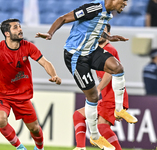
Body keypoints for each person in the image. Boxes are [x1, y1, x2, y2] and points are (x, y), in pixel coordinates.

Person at [35, 0, 138, 149]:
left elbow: (91, 29)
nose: (126, 4)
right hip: (75, 56)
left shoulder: (107, 13)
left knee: (117, 68)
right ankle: (95, 137)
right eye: (124, 0)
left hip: (90, 51)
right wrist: (50, 33)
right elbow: (63, 18)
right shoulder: (93, 8)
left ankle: (119, 109)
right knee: (93, 97)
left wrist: (109, 38)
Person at [0, 18, 61, 150]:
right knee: (0, 119)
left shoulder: (28, 46)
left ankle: (39, 148)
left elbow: (45, 62)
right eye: (15, 27)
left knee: (34, 129)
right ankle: (20, 148)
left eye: (19, 26)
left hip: (21, 95)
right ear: (7, 33)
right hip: (0, 94)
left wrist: (54, 75)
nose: (20, 29)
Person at [73, 24, 128, 150]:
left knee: (102, 127)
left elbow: (111, 72)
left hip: (114, 96)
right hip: (107, 97)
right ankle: (80, 147)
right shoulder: (96, 52)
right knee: (78, 115)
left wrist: (98, 89)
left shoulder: (109, 49)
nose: (100, 33)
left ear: (108, 33)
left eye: (103, 31)